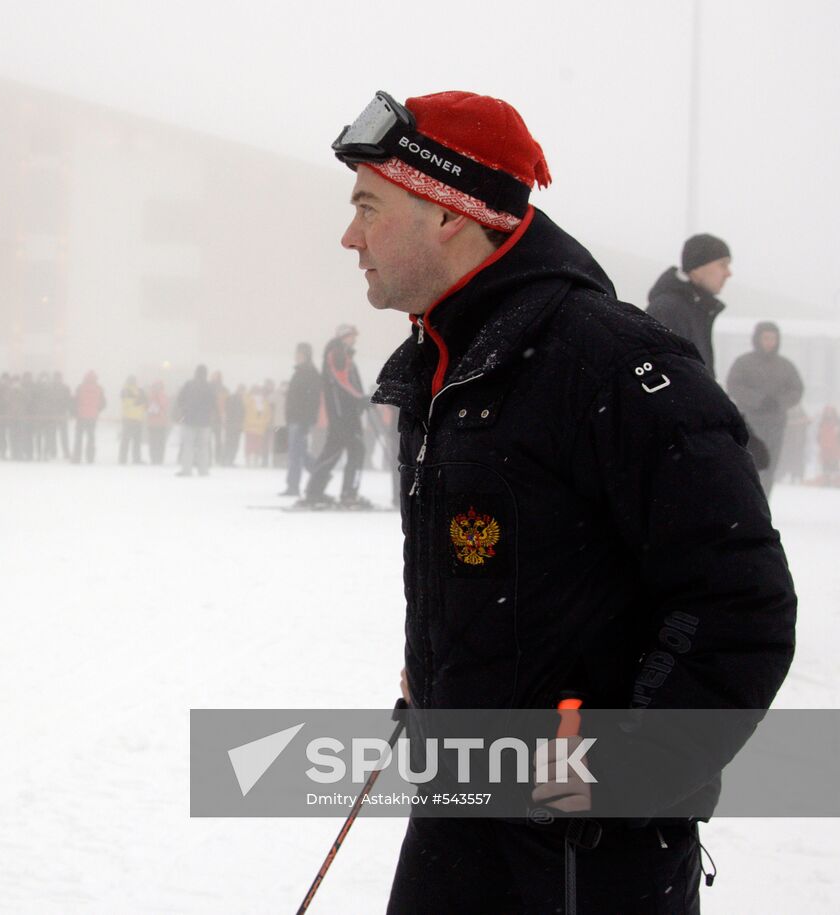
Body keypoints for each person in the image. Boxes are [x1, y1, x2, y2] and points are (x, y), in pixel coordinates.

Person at [332, 90, 795, 913]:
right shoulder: (443, 365)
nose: (350, 235)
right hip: (461, 816)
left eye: (369, 206)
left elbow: (739, 601)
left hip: (585, 858)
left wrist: (621, 776)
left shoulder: (610, 360)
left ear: (448, 211)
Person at [726, 321, 805, 496]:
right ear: (757, 339)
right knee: (747, 466)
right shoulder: (744, 363)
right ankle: (746, 506)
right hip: (749, 425)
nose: (770, 342)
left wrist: (779, 402)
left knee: (770, 467)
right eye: (766, 338)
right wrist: (758, 400)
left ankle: (764, 505)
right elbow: (734, 385)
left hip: (776, 424)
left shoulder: (785, 365)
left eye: (773, 338)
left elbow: (797, 389)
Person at [645, 233, 731, 379]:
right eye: (722, 265)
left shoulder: (696, 310)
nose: (728, 273)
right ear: (697, 268)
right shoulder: (669, 310)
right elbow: (669, 378)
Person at [301, 325, 369, 507]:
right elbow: (342, 380)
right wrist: (360, 397)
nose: (354, 340)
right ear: (344, 336)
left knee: (341, 451)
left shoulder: (343, 353)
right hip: (342, 415)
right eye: (352, 336)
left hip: (345, 413)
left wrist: (360, 399)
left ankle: (317, 491)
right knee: (351, 450)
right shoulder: (337, 351)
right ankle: (343, 493)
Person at [282, 342, 322, 496]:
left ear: (305, 355)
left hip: (300, 420)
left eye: (299, 353)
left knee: (295, 455)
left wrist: (307, 421)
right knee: (301, 453)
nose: (296, 356)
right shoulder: (301, 372)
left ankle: (294, 486)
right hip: (295, 420)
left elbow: (312, 400)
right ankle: (320, 474)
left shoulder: (309, 373)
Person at [173, 365, 216, 477]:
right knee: (203, 447)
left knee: (188, 446)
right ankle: (203, 470)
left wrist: (184, 410)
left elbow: (180, 399)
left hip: (189, 419)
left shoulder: (189, 384)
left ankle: (186, 470)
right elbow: (213, 404)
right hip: (205, 421)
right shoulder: (209, 387)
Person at [72, 370, 105, 463]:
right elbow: (103, 403)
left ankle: (77, 457)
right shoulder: (99, 388)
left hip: (81, 416)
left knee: (79, 438)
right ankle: (90, 457)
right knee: (91, 438)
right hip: (92, 417)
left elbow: (74, 401)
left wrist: (75, 412)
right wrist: (96, 410)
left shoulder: (80, 387)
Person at [118, 375, 147, 464]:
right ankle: (136, 459)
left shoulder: (124, 390)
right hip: (137, 418)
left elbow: (129, 401)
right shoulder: (139, 391)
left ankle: (123, 459)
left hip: (128, 418)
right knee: (136, 441)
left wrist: (138, 401)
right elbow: (144, 402)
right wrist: (139, 401)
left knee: (126, 440)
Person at [146, 379, 170, 464]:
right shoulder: (163, 396)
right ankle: (159, 459)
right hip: (161, 422)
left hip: (152, 423)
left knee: (153, 442)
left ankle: (154, 458)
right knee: (160, 442)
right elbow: (165, 406)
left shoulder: (150, 396)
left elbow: (147, 407)